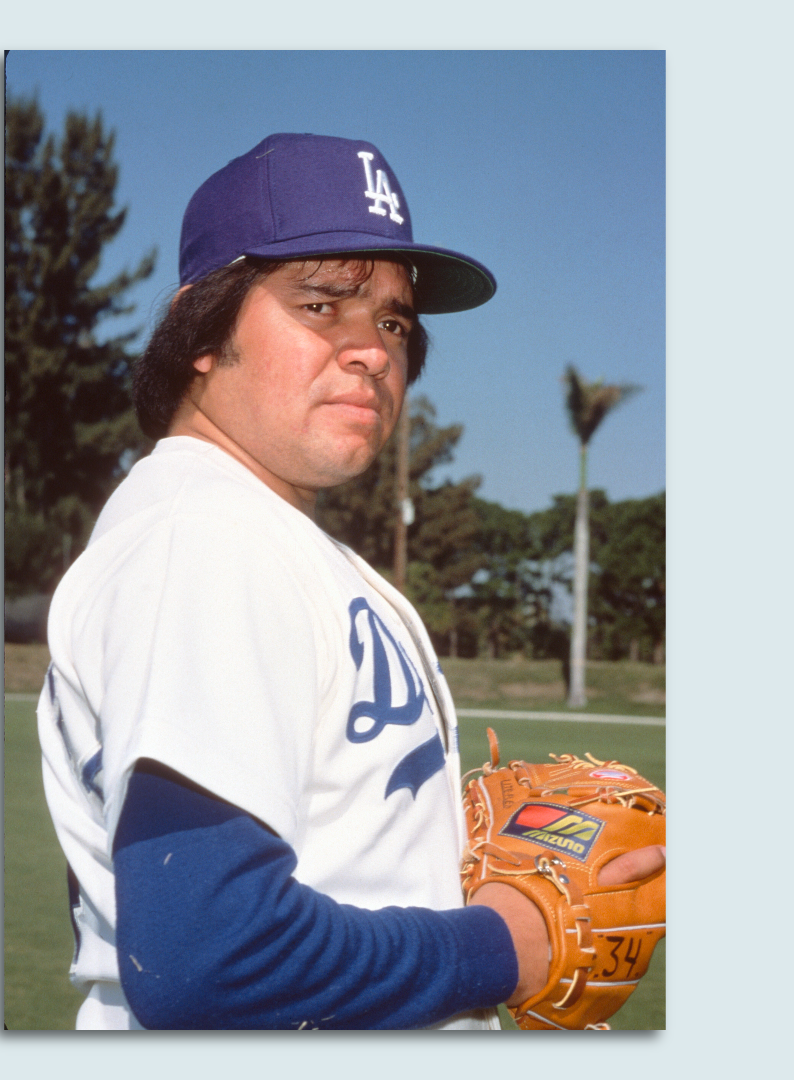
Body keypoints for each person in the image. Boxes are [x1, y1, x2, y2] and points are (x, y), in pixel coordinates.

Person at [35, 133, 662, 1030]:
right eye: (324, 303)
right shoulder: (206, 535)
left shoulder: (259, 538)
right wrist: (503, 942)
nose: (373, 350)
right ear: (201, 333)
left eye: (395, 322)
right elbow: (208, 956)